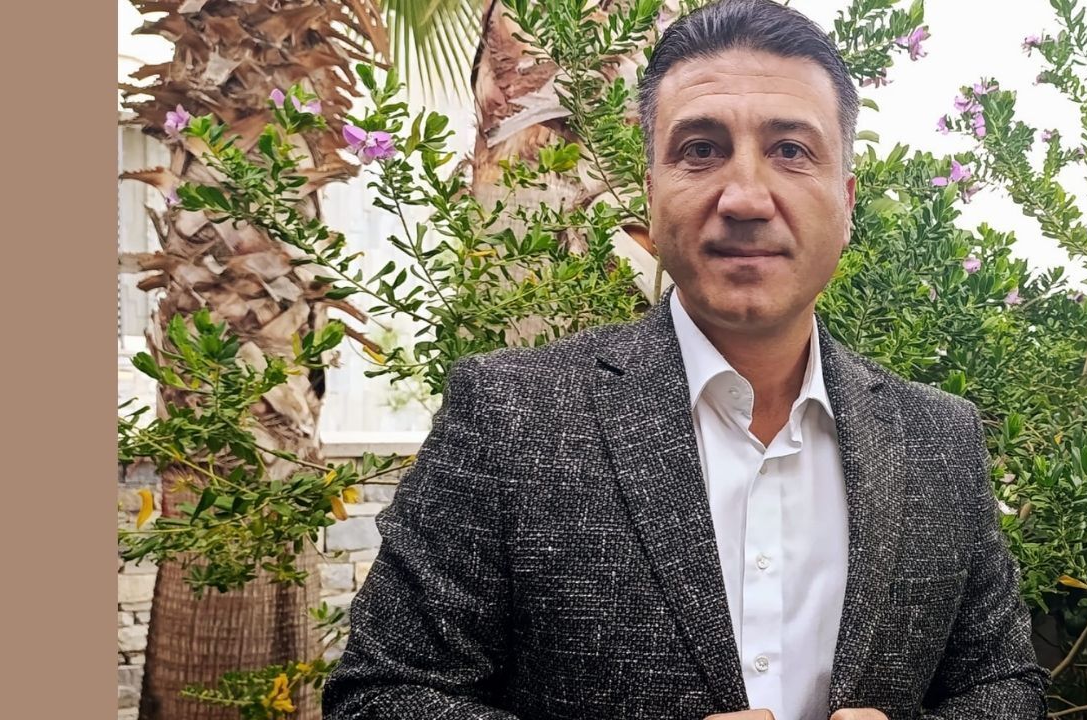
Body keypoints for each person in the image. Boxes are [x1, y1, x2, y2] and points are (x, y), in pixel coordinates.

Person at [322, 1, 1049, 718]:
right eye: (700, 149)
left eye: (791, 151)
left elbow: (1003, 685)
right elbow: (382, 694)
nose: (746, 197)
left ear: (847, 199)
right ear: (650, 192)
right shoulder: (511, 417)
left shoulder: (938, 441)